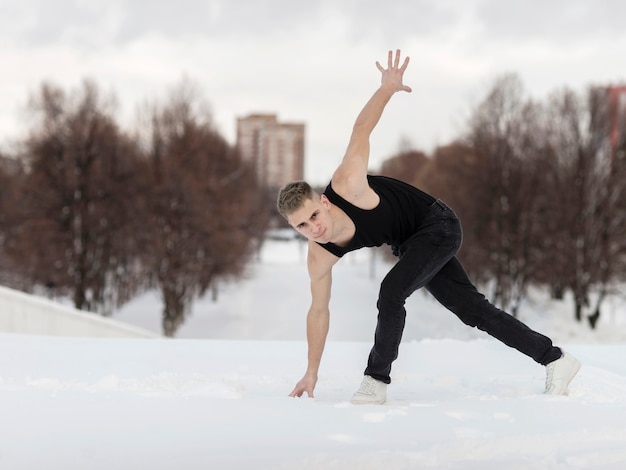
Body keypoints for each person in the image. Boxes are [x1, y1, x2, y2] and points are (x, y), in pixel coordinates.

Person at [277, 49, 581, 404]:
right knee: (473, 311)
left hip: (438, 224)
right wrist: (311, 372)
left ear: (323, 202)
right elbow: (318, 311)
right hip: (413, 245)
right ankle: (556, 360)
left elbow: (361, 129)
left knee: (391, 292)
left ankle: (376, 381)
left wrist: (387, 89)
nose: (312, 228)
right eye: (301, 226)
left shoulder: (347, 183)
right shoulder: (319, 256)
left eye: (314, 215)